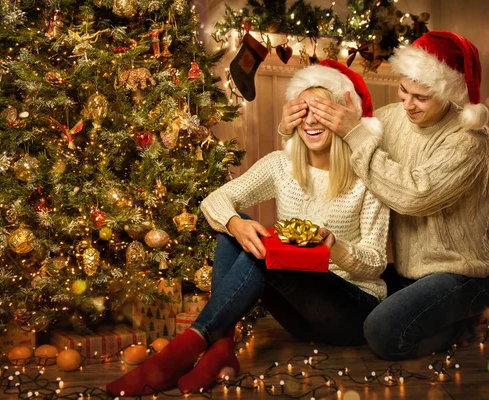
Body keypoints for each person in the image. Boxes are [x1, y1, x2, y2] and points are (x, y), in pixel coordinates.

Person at [106, 60, 390, 396]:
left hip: (351, 310)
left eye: (322, 111)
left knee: (261, 246)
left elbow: (376, 262)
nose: (311, 120)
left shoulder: (367, 177)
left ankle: (182, 351)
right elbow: (214, 201)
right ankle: (219, 346)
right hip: (300, 318)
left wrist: (335, 248)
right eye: (304, 110)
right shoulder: (281, 165)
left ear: (341, 119)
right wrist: (236, 224)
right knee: (237, 226)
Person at [279, 31, 489, 360]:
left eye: (421, 97)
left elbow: (414, 196)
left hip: (460, 273)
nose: (408, 104)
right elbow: (332, 149)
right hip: (404, 271)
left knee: (383, 334)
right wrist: (290, 127)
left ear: (448, 93)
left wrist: (355, 132)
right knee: (344, 300)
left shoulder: (470, 139)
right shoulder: (389, 118)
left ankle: (464, 321)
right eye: (403, 90)